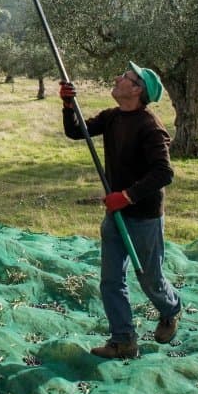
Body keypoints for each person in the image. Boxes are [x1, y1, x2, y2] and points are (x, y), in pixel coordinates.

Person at [59, 61, 181, 359]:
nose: (117, 78)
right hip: (115, 215)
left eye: (125, 77)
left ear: (137, 90)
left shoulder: (150, 127)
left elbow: (164, 173)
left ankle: (170, 309)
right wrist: (68, 105)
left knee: (149, 279)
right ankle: (123, 340)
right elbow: (77, 132)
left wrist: (126, 196)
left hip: (144, 217)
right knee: (111, 280)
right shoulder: (112, 117)